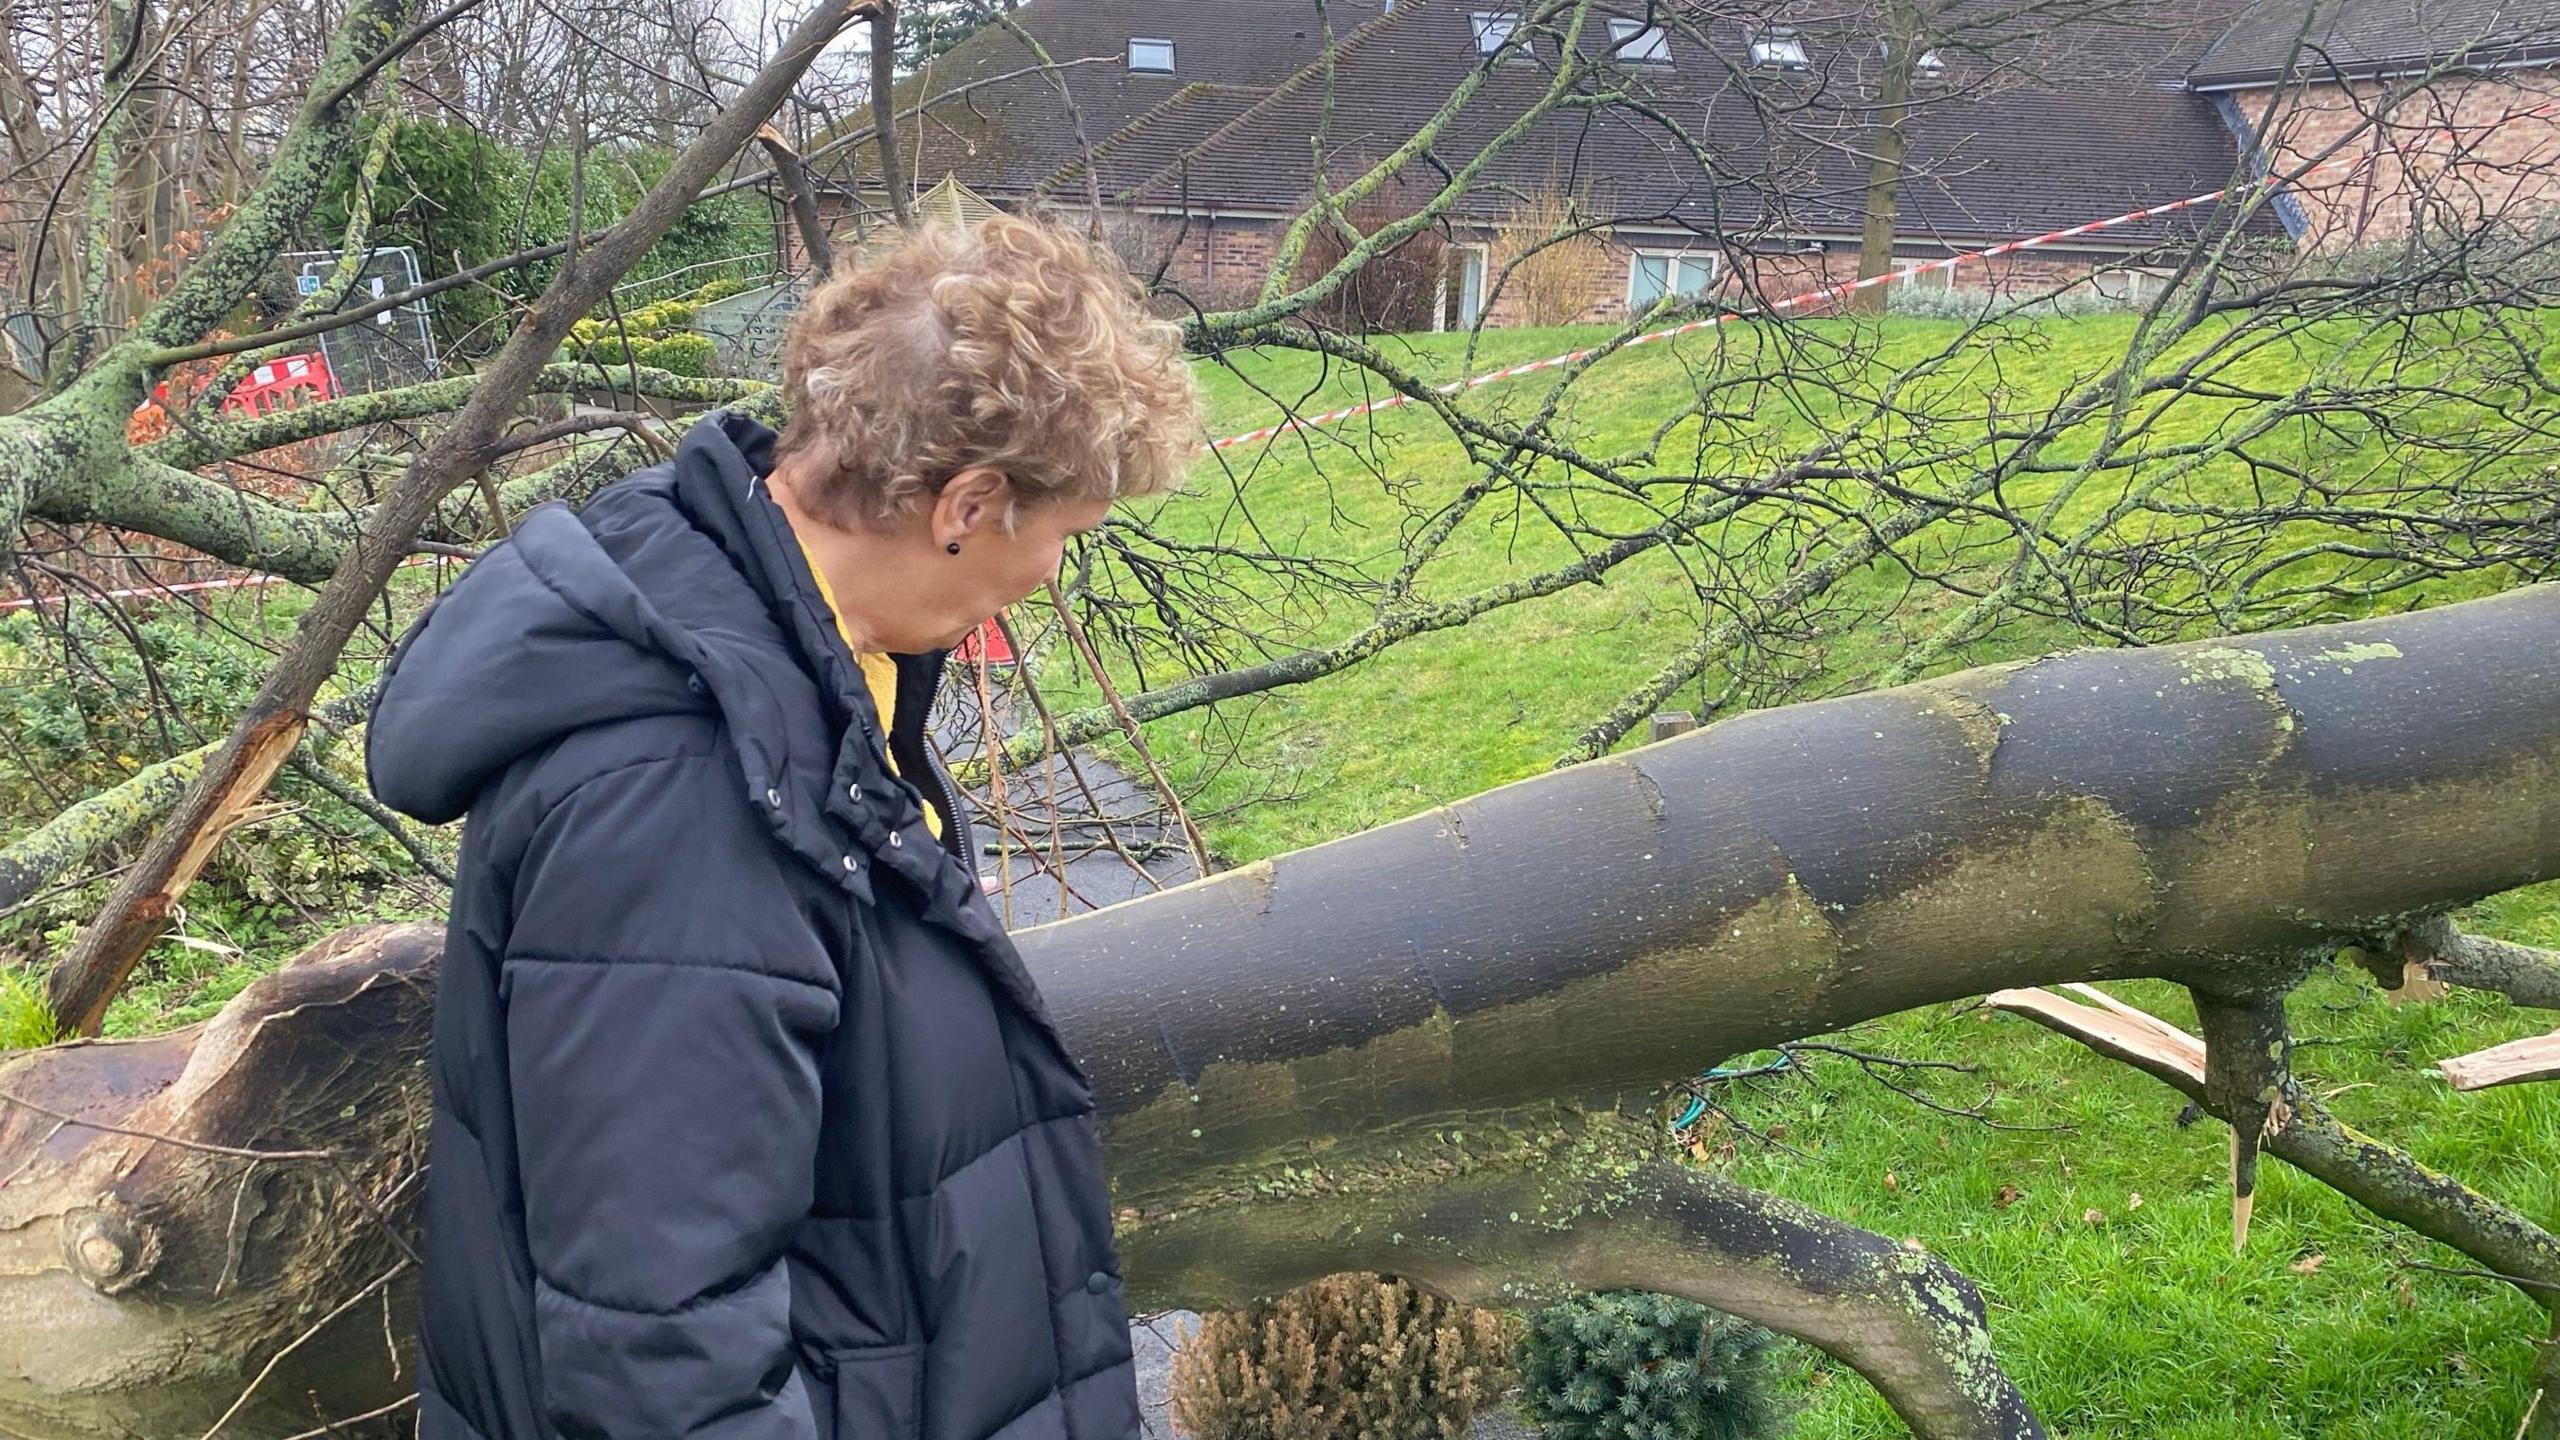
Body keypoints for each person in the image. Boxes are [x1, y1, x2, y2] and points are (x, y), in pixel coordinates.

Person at [366, 213, 1202, 1440]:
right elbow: (660, 1349)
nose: (1051, 580)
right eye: (1064, 537)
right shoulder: (684, 797)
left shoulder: (802, 663)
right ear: (967, 503)